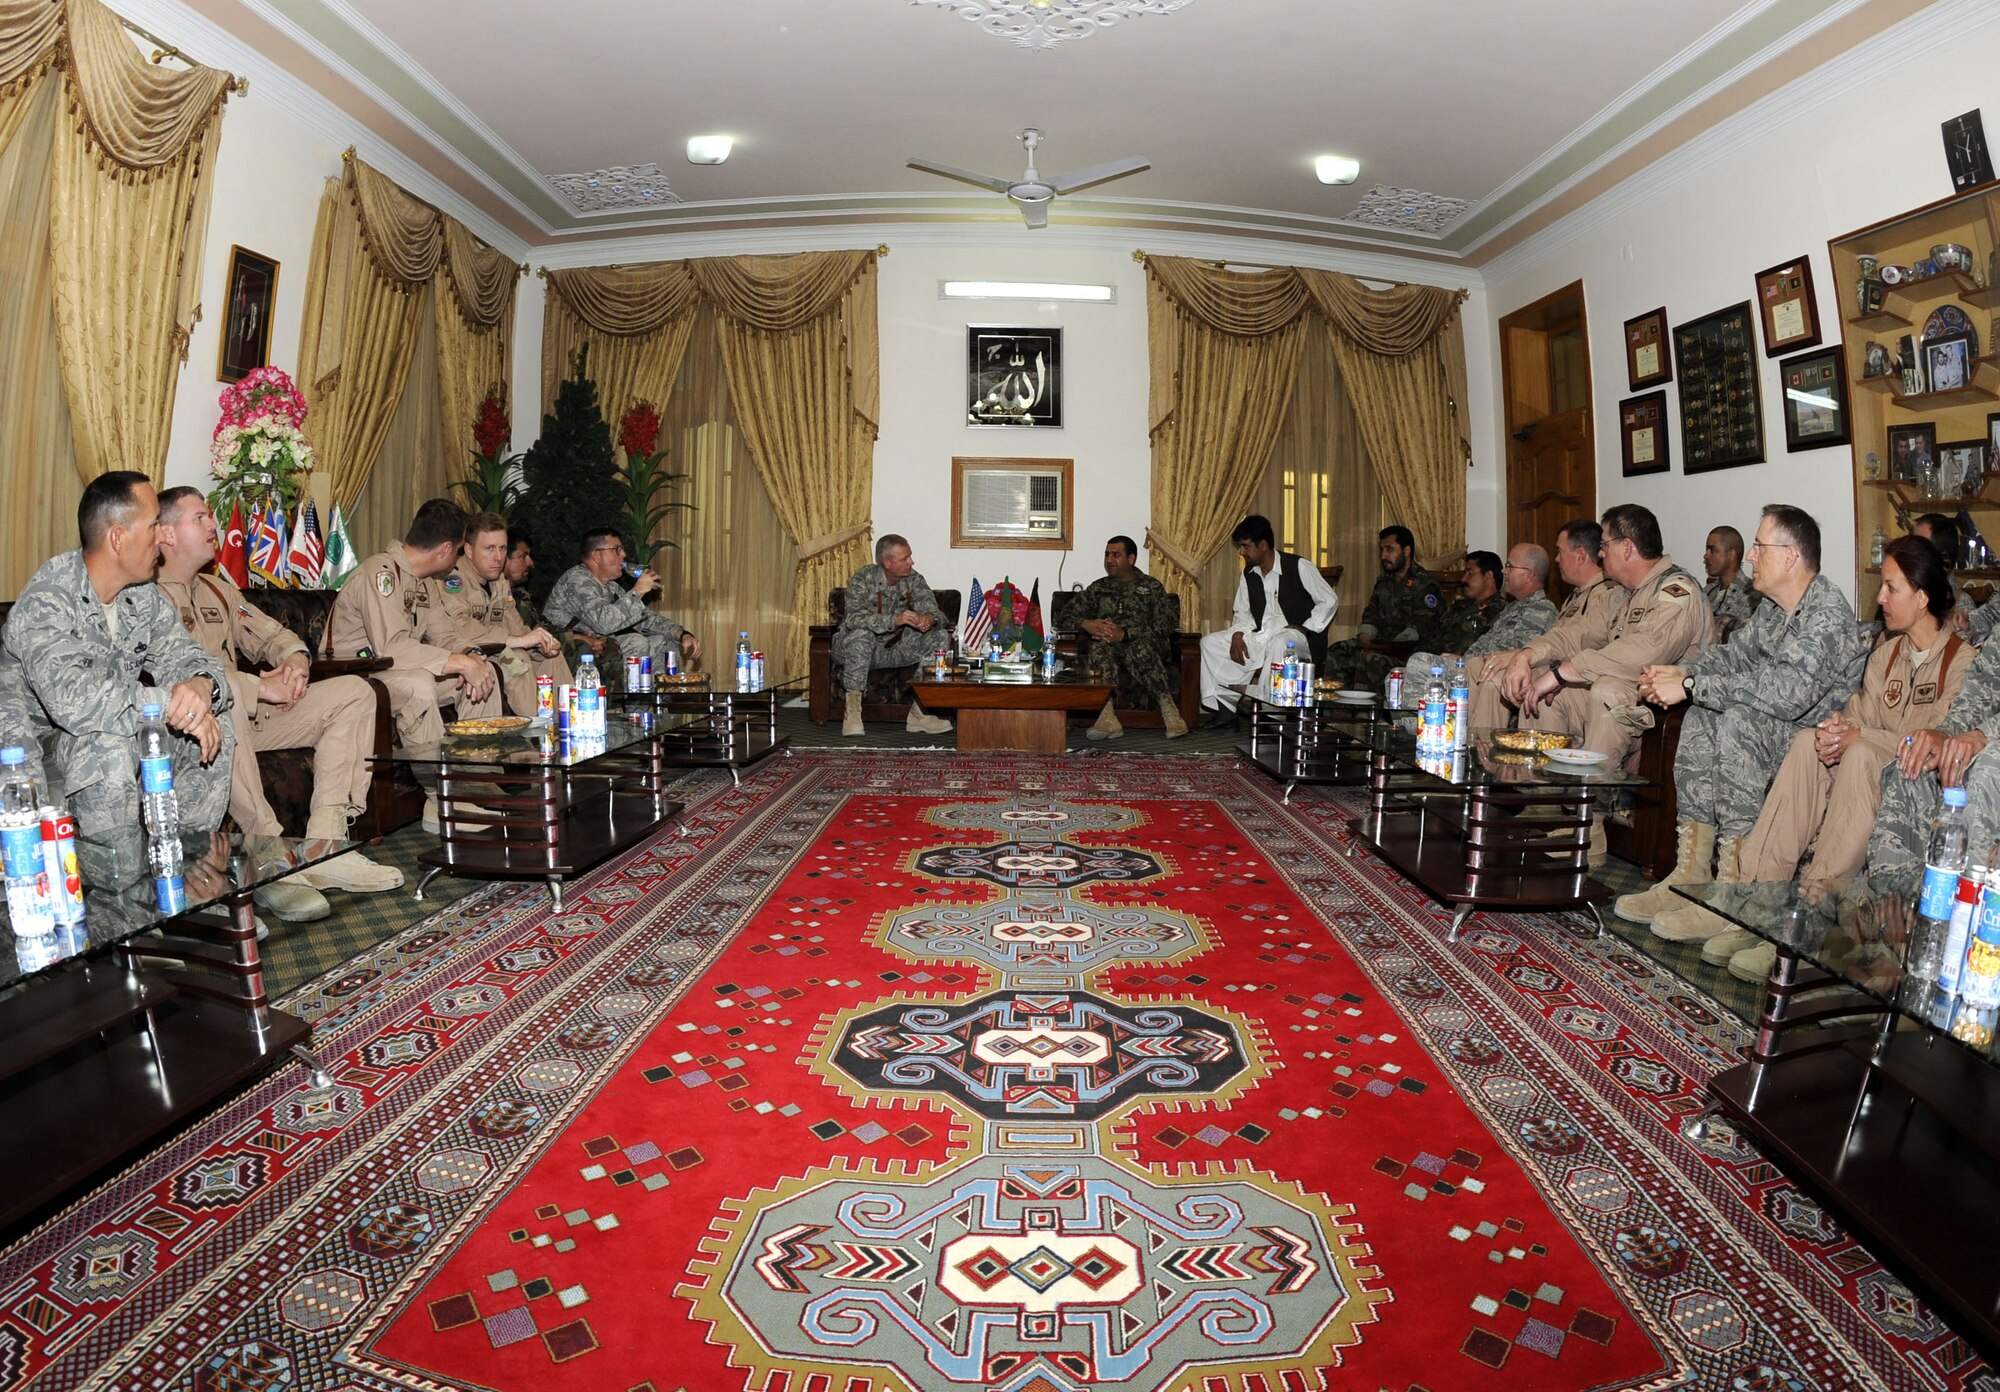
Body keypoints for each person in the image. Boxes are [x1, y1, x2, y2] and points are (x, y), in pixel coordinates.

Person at [1694, 538, 1970, 979]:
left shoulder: (1961, 661)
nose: (1879, 598)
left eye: (1892, 589)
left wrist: (1859, 737)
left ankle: (1811, 908)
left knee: (1860, 752)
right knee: (1810, 741)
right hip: (1867, 766)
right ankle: (1757, 898)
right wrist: (1836, 731)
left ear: (1922, 598)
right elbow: (1859, 715)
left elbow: (1936, 741)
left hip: (1916, 788)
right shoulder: (1885, 655)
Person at [1616, 505, 1865, 937]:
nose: (1750, 556)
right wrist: (1681, 673)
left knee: (1736, 720)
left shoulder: (1827, 616)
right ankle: (1690, 875)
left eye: (1759, 546)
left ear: (1790, 556)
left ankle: (1734, 891)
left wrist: (1693, 684)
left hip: (1813, 744)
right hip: (1773, 728)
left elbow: (1785, 694)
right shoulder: (1773, 609)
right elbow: (1733, 657)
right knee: (1702, 716)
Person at [154, 487, 403, 917]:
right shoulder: (146, 599)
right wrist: (256, 687)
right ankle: (269, 856)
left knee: (354, 693)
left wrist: (294, 663)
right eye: (200, 518)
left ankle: (327, 847)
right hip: (191, 730)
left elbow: (275, 635)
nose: (213, 525)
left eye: (210, 517)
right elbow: (171, 684)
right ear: (166, 534)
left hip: (251, 718)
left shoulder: (219, 591)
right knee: (221, 705)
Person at [0, 472, 233, 839]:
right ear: (117, 538)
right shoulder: (48, 598)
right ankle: (117, 884)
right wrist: (172, 701)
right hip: (32, 755)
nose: (161, 536)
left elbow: (192, 658)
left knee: (215, 719)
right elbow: (76, 703)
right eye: (154, 524)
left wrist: (201, 689)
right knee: (105, 742)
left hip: (106, 727)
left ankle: (189, 863)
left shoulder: (140, 595)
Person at [1513, 504, 1713, 863]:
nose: (1600, 552)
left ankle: (1590, 832)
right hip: (1633, 699)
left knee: (1603, 688)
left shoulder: (1677, 591)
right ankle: (1552, 804)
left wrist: (1565, 672)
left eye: (1604, 544)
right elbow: (1576, 633)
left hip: (1669, 709)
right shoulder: (1623, 593)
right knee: (1549, 696)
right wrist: (1529, 655)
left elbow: (1645, 651)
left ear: (1627, 547)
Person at [329, 496, 503, 749]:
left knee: (485, 674)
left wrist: (472, 656)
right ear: (445, 549)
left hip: (396, 670)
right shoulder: (380, 574)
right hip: (357, 673)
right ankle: (435, 785)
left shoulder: (423, 582)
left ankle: (478, 778)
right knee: (418, 683)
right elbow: (392, 648)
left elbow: (445, 635)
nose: (456, 559)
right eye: (456, 551)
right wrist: (459, 663)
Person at [1468, 520, 1620, 730]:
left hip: (1581, 679)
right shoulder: (1574, 598)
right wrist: (1517, 655)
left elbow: (1580, 647)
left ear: (1581, 555)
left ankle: (1483, 756)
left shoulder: (1606, 595)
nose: (1556, 559)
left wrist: (1518, 656)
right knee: (1477, 666)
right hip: (1558, 669)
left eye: (1560, 552)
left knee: (1497, 680)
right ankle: (1467, 746)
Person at [1196, 514, 1339, 727]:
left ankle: (1272, 717)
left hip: (1298, 639)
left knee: (1280, 642)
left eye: (1245, 546)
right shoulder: (1249, 573)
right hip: (1261, 635)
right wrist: (1237, 634)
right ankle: (1226, 709)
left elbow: (1329, 600)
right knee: (1210, 643)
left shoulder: (1299, 566)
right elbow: (1243, 612)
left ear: (1263, 545)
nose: (1241, 552)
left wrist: (1307, 627)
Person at [438, 512, 570, 716]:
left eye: (502, 548)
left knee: (550, 656)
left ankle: (568, 721)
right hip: (462, 652)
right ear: (469, 550)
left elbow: (514, 624)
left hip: (495, 648)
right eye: (489, 549)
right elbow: (461, 629)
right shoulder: (453, 581)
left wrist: (538, 643)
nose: (498, 558)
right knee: (515, 660)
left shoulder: (498, 581)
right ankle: (534, 731)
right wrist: (517, 641)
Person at [1065, 535, 1189, 741]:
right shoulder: (1099, 588)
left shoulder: (1151, 587)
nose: (1109, 560)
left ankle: (1170, 711)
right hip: (1110, 647)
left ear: (1131, 559)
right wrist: (1087, 624)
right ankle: (1107, 717)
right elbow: (1065, 615)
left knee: (1137, 649)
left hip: (1145, 646)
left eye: (1116, 555)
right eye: (1107, 555)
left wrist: (1126, 634)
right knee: (1098, 648)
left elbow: (1166, 623)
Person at [541, 529, 700, 688]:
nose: (623, 554)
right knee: (635, 642)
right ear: (596, 555)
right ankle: (634, 708)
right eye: (617, 550)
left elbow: (645, 619)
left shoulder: (611, 587)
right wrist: (637, 591)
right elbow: (604, 624)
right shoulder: (577, 580)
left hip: (601, 645)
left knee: (663, 643)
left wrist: (681, 634)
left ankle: (659, 707)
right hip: (567, 650)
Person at [832, 534, 952, 737]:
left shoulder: (914, 579)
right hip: (856, 650)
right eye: (904, 559)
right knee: (862, 635)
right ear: (887, 563)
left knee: (939, 636)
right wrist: (894, 620)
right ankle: (852, 713)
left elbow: (934, 610)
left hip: (892, 648)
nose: (911, 562)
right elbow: (853, 619)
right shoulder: (864, 578)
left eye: (910, 556)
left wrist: (929, 618)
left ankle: (919, 712)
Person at [1403, 544, 1558, 688]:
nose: (1504, 571)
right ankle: (1412, 717)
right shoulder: (1512, 608)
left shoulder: (1542, 609)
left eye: (1509, 566)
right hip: (1473, 667)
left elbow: (1514, 650)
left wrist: (1465, 663)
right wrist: (1462, 660)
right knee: (1401, 672)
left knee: (1419, 664)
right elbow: (1484, 642)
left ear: (1529, 575)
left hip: (1490, 674)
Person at [1316, 525, 1438, 687]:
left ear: (1406, 551)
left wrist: (1379, 648)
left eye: (1389, 549)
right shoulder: (1383, 582)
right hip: (1379, 645)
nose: (1383, 556)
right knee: (1338, 649)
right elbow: (1371, 614)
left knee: (1369, 659)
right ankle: (1338, 708)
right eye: (1381, 550)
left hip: (1407, 652)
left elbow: (1420, 629)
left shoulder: (1425, 585)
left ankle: (1363, 711)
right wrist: (1365, 637)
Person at [509, 528, 615, 678]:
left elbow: (541, 626)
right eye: (523, 556)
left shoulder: (520, 594)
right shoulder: (494, 595)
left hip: (541, 642)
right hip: (521, 651)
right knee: (581, 649)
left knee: (608, 645)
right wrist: (573, 638)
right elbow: (523, 634)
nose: (530, 562)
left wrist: (576, 636)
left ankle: (609, 701)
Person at [1702, 525, 1760, 641]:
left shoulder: (1753, 595)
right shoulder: (1706, 592)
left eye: (1712, 550)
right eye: (1707, 550)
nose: (1706, 555)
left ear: (1731, 554)